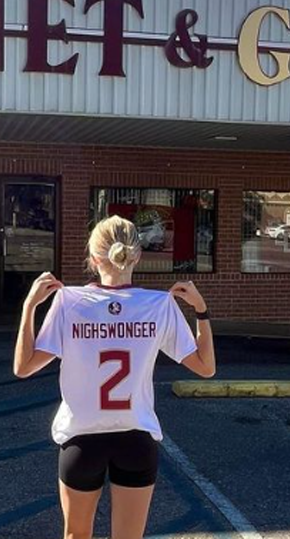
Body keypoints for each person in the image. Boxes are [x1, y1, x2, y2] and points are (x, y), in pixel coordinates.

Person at [12, 215, 216, 539]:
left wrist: (29, 307)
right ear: (137, 256)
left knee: (76, 536)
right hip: (136, 438)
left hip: (81, 440)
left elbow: (22, 368)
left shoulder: (69, 302)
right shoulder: (158, 305)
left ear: (93, 259)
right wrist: (201, 311)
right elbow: (206, 367)